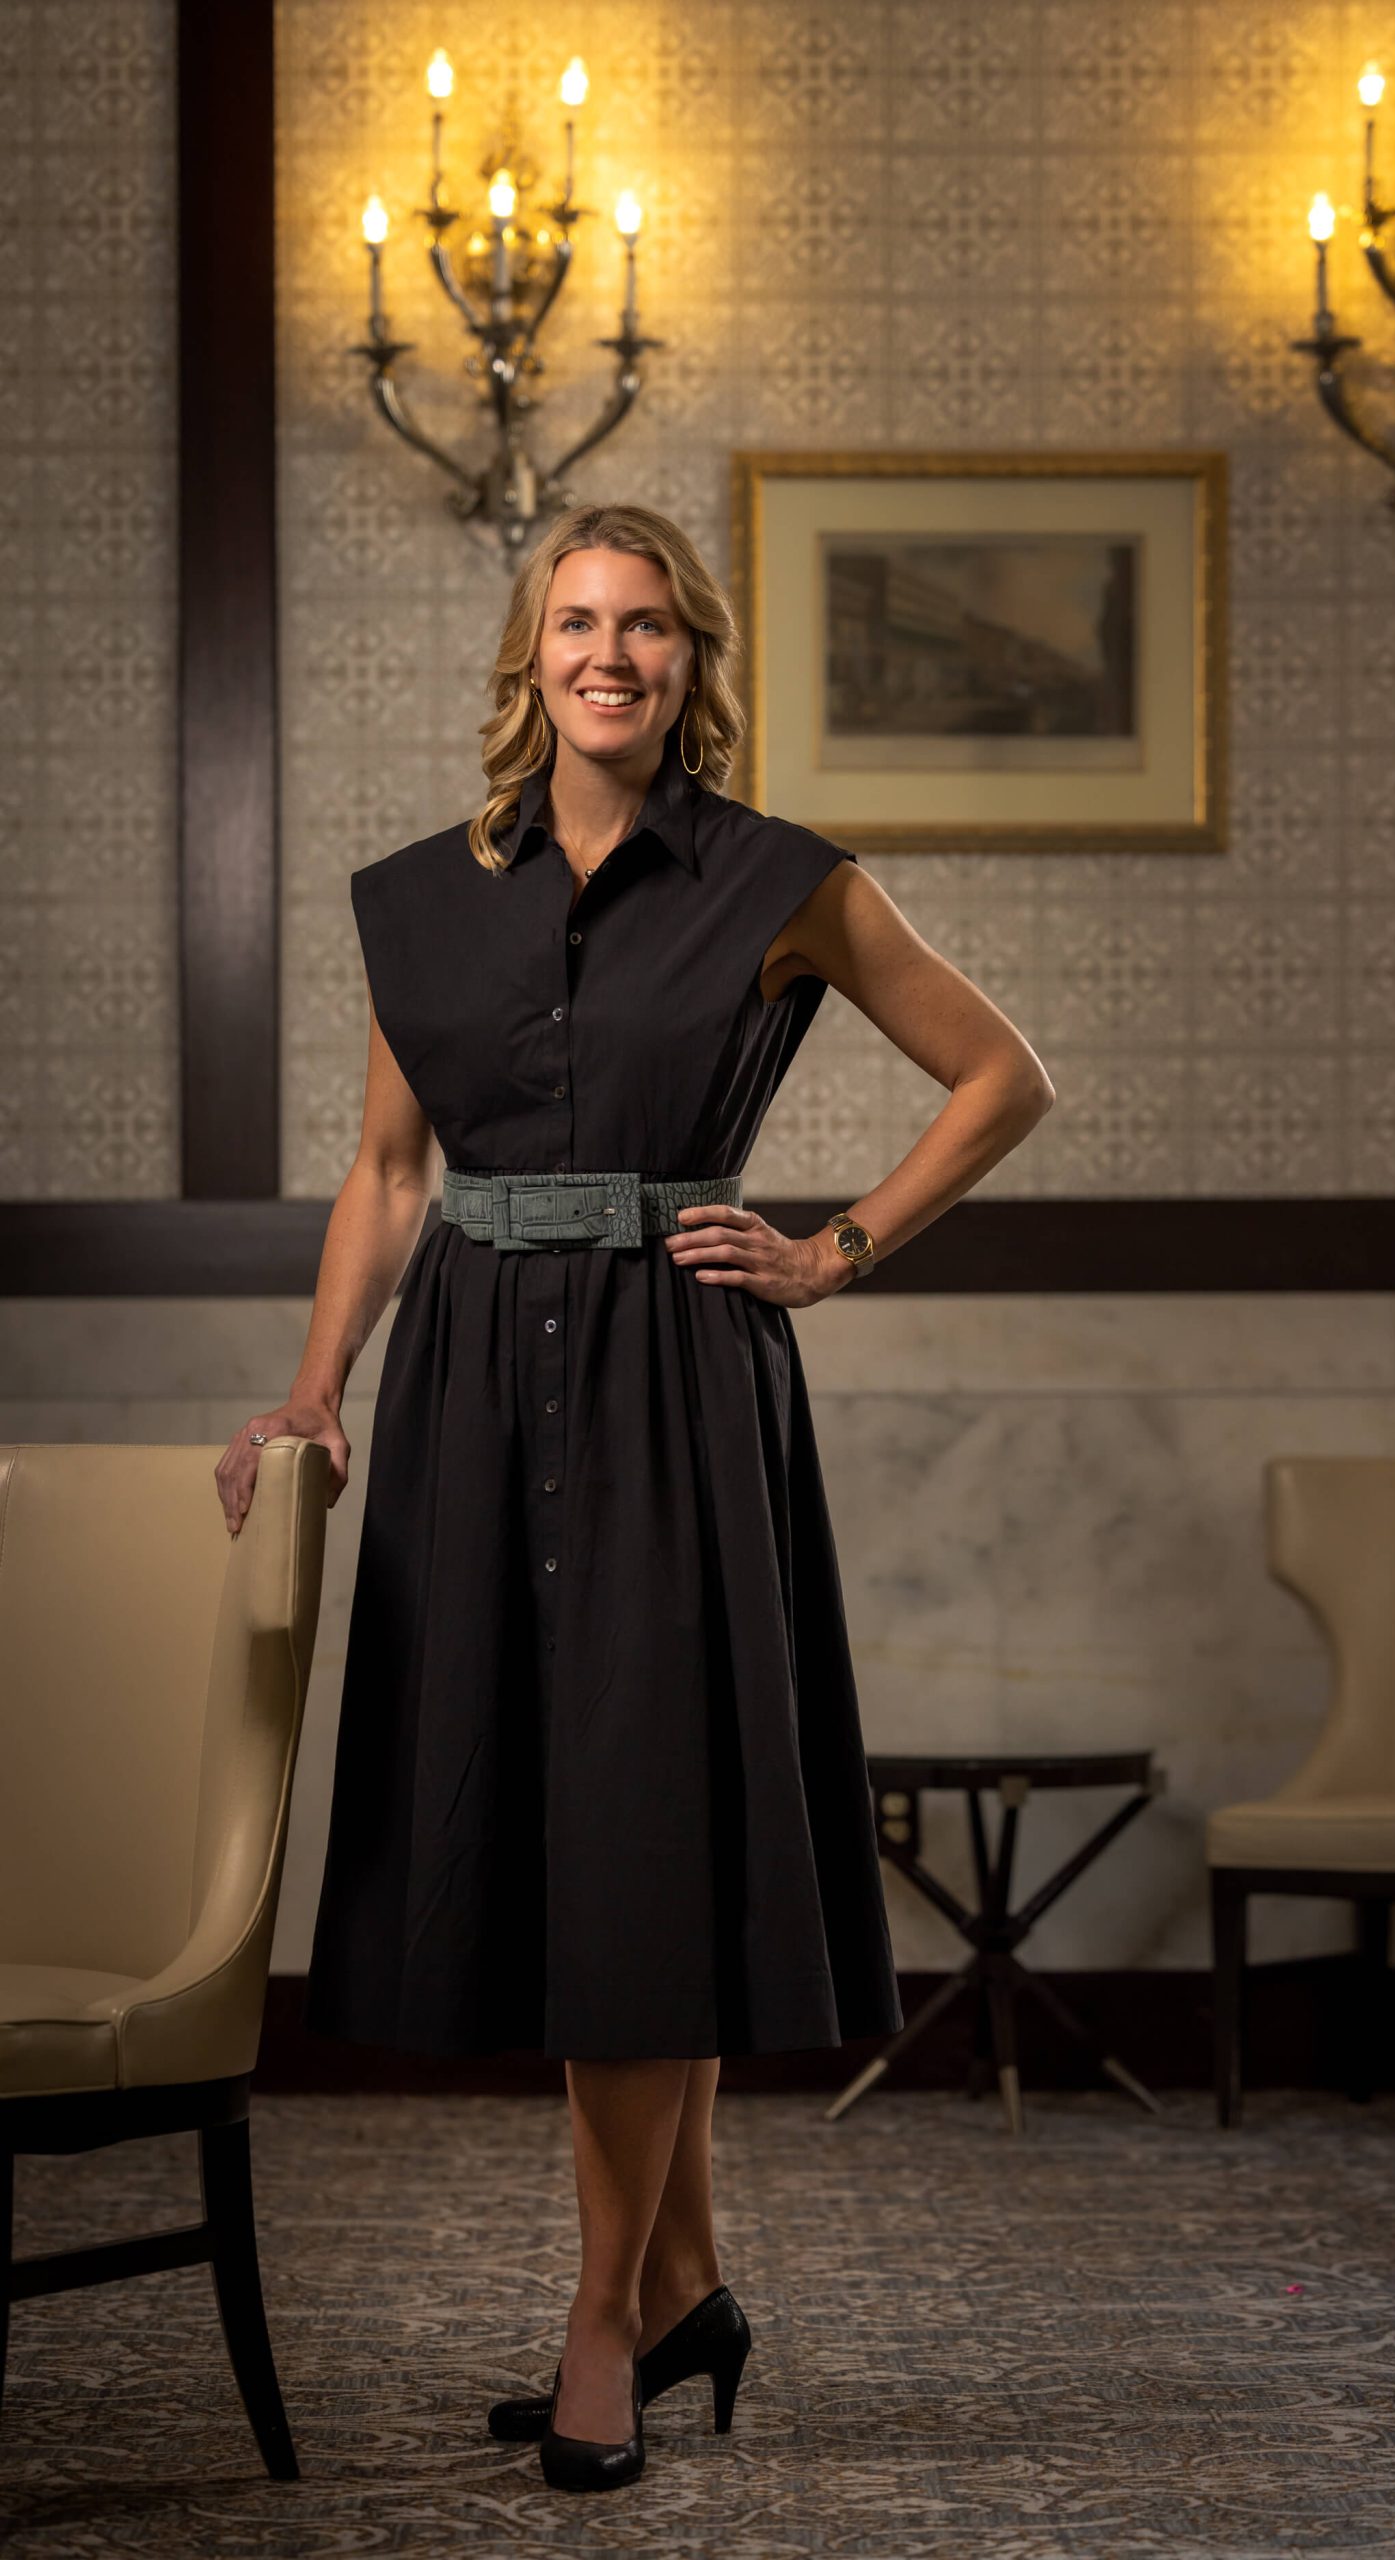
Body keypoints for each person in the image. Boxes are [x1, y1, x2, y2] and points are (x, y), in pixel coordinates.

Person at [214, 500, 1055, 2492]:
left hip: (678, 1390)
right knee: (563, 1839)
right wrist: (316, 1382)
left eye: (650, 624)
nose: (612, 652)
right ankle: (682, 2288)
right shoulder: (421, 901)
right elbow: (389, 1173)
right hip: (468, 1388)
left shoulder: (785, 881)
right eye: (579, 619)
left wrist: (831, 1249)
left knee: (642, 1839)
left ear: (693, 659)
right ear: (532, 651)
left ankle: (602, 2315)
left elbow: (1003, 1076)